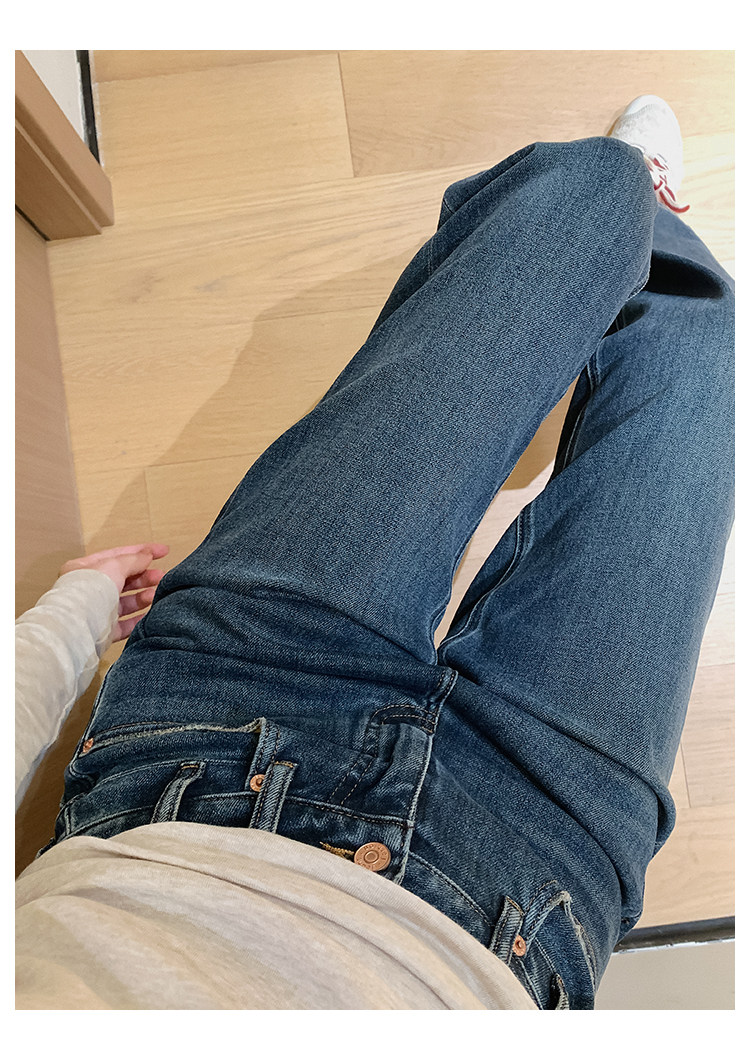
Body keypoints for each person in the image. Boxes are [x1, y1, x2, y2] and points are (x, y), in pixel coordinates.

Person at [15, 95, 734, 1010]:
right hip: (536, 878)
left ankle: (627, 213)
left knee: (590, 186)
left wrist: (72, 617)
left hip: (214, 741)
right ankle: (651, 235)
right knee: (705, 332)